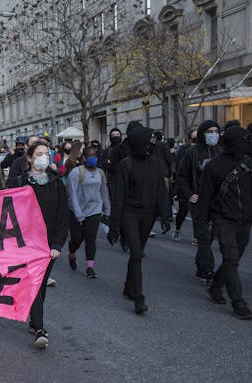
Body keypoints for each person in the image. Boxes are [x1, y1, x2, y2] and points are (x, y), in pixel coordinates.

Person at [197, 127, 252, 319]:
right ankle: (238, 301)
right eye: (243, 140)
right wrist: (201, 226)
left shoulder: (249, 163)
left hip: (245, 221)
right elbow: (205, 198)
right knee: (231, 259)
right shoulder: (214, 167)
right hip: (223, 221)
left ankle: (215, 285)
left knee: (233, 259)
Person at [7, 140, 68, 348]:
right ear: (30, 158)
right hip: (27, 244)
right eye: (39, 153)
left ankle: (34, 319)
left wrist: (57, 244)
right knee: (34, 282)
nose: (44, 157)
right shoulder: (18, 183)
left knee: (40, 285)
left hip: (49, 244)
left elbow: (62, 215)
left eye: (47, 153)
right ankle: (40, 329)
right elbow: (7, 211)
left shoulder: (56, 183)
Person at [107, 125, 170, 314]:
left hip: (148, 214)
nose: (152, 143)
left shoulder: (156, 163)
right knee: (136, 253)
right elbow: (119, 197)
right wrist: (114, 227)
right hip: (130, 214)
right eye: (149, 140)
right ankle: (139, 297)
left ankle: (128, 286)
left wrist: (165, 215)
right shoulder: (126, 164)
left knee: (137, 252)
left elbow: (161, 191)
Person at [176, 120, 222, 279]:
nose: (214, 134)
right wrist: (189, 194)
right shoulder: (193, 152)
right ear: (203, 133)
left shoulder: (221, 151)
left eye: (216, 131)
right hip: (199, 202)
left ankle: (201, 267)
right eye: (210, 131)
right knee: (202, 236)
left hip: (218, 202)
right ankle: (208, 270)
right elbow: (181, 176)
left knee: (210, 237)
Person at [66, 145, 110, 279]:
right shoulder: (76, 172)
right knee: (77, 239)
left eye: (95, 156)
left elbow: (104, 191)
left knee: (91, 238)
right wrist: (78, 215)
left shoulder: (100, 173)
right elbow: (72, 194)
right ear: (84, 158)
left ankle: (90, 267)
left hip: (94, 210)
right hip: (77, 211)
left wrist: (107, 209)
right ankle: (71, 253)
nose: (93, 158)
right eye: (90, 156)